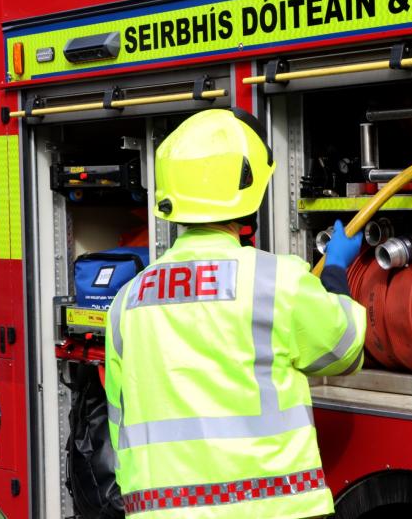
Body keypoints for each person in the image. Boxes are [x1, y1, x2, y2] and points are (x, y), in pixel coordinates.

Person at [105, 108, 366, 518]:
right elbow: (345, 349)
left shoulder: (128, 300)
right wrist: (335, 268)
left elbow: (120, 415)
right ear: (249, 194)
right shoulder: (275, 280)